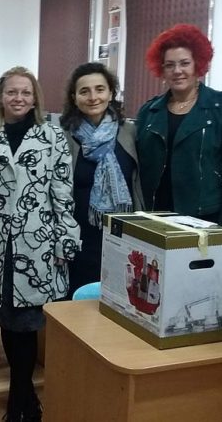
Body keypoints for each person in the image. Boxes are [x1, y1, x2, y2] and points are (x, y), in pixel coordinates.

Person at [0, 66, 81, 422]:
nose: (18, 98)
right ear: (1, 97)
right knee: (7, 321)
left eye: (25, 92)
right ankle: (26, 398)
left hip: (38, 242)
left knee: (27, 324)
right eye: (12, 92)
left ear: (35, 98)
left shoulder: (53, 136)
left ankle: (17, 402)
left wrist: (65, 239)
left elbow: (63, 193)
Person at [136, 23, 222, 230]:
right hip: (155, 217)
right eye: (169, 65)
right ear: (162, 69)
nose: (177, 71)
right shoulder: (149, 112)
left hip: (206, 219)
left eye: (184, 63)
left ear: (198, 64)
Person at [59, 62, 144, 294]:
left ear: (111, 93)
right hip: (80, 239)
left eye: (100, 89)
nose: (93, 97)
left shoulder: (130, 132)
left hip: (124, 236)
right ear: (74, 98)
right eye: (84, 91)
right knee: (80, 300)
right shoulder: (62, 136)